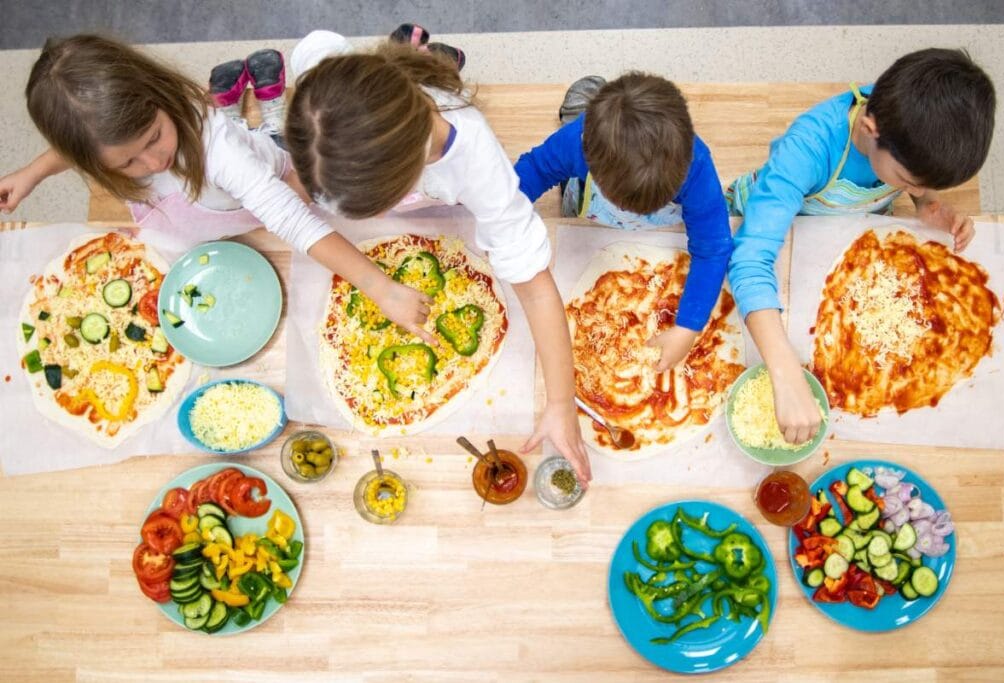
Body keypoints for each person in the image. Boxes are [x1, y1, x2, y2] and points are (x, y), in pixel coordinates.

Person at [285, 30, 591, 485]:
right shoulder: (324, 84)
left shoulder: (477, 165)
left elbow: (536, 287)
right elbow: (314, 55)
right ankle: (416, 52)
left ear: (407, 178)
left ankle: (426, 57)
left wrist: (561, 404)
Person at [0, 34, 429, 340]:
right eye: (126, 163)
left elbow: (288, 219)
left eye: (154, 138)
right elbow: (72, 150)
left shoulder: (214, 146)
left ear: (160, 95)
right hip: (198, 220)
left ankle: (273, 122)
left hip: (265, 180)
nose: (153, 162)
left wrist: (381, 288)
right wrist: (33, 172)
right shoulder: (103, 143)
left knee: (307, 188)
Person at [725, 48, 996, 445]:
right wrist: (784, 371)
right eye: (909, 180)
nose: (916, 190)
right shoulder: (808, 149)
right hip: (774, 224)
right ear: (870, 131)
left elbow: (916, 180)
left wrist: (928, 204)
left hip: (844, 235)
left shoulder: (905, 128)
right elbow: (749, 258)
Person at [514, 73, 733, 372]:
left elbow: (713, 248)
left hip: (664, 226)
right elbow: (535, 170)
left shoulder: (696, 167)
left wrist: (688, 327)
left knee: (597, 114)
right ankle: (587, 107)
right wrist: (504, 214)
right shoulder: (577, 145)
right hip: (593, 211)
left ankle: (594, 102)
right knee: (566, 185)